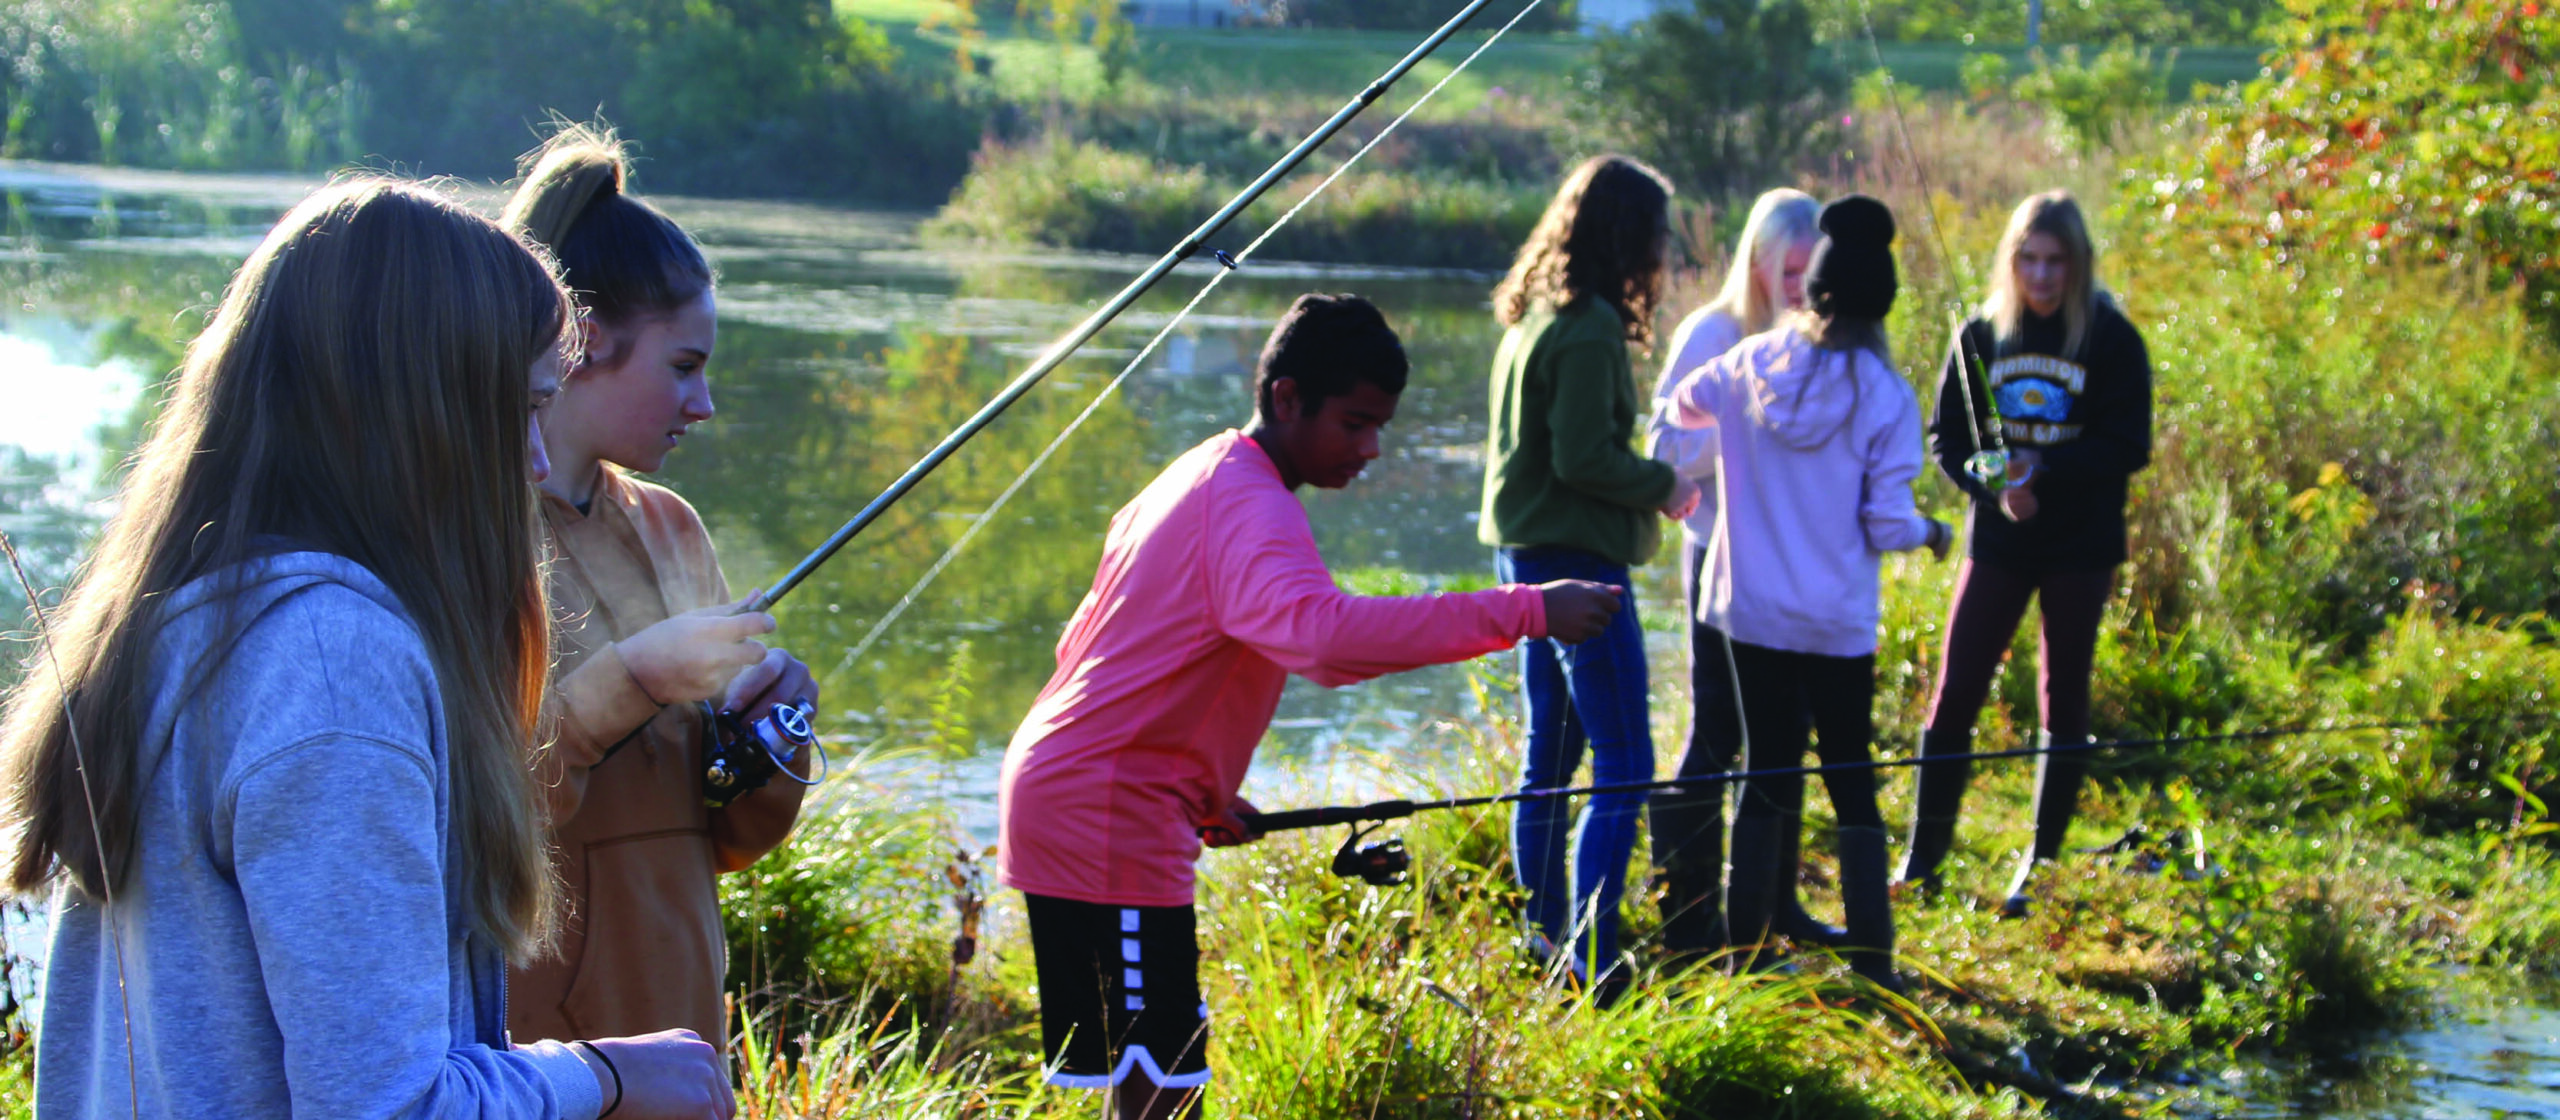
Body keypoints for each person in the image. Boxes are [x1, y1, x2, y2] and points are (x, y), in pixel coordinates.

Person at [0, 180, 731, 1118]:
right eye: (523, 408)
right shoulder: (336, 667)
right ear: (424, 419)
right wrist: (604, 1076)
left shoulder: (187, 620)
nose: (539, 463)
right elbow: (387, 1107)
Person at [997, 294, 1623, 1120]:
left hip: (1092, 788)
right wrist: (1528, 610)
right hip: (1103, 808)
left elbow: (1094, 644)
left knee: (1148, 1081)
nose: (1370, 450)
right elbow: (1323, 641)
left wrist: (1202, 786)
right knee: (1162, 1090)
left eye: (1381, 427)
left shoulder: (1205, 473)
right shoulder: (1250, 503)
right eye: (1355, 423)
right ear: (1286, 398)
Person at [500, 125, 820, 1047]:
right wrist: (635, 678)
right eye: (683, 368)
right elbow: (479, 814)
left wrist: (772, 737)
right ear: (587, 342)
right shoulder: (466, 533)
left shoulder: (671, 526)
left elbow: (722, 840)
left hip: (681, 1029)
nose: (705, 405)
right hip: (537, 1050)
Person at [1662, 195, 1952, 990]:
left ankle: (1746, 955)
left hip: (1747, 610)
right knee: (1850, 772)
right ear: (1881, 303)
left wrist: (1716, 455)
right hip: (1834, 624)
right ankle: (1874, 962)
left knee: (1767, 769)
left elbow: (1680, 407)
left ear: (1812, 292)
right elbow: (1886, 525)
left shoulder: (1750, 364)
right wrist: (1934, 534)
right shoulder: (1885, 397)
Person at [1897, 190, 2154, 917]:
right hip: (2001, 540)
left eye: (2055, 261)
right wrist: (1991, 483)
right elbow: (1948, 437)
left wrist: (2043, 472)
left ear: (2077, 265)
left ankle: (2037, 868)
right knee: (1955, 689)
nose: (2041, 276)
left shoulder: (2109, 338)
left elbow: (2129, 442)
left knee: (2062, 694)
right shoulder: (1981, 333)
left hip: (2081, 543)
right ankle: (1923, 859)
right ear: (2011, 261)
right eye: (2029, 260)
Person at [1478, 154, 1699, 984]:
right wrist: (1666, 483)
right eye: (1656, 233)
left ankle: (1542, 934)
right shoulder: (1591, 323)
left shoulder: (1534, 310)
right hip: (1577, 561)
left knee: (1553, 753)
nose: (1664, 249)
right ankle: (1593, 955)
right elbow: (1582, 457)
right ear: (1625, 235)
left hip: (1525, 549)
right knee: (1625, 763)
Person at [1641, 187, 1830, 959]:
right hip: (1721, 563)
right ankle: (1685, 922)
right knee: (1719, 732)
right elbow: (1662, 451)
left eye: (1810, 273)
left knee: (1786, 738)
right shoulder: (1711, 334)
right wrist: (1745, 430)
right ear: (1753, 261)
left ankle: (1772, 909)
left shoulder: (1823, 339)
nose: (1799, 288)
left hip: (1799, 569)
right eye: (1787, 272)